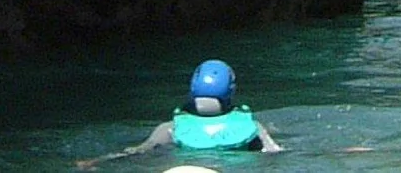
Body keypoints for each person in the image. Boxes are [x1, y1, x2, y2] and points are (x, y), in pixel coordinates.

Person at [75, 58, 282, 166]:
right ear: (231, 90)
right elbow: (275, 154)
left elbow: (137, 152)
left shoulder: (171, 129)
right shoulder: (252, 127)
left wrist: (97, 161)